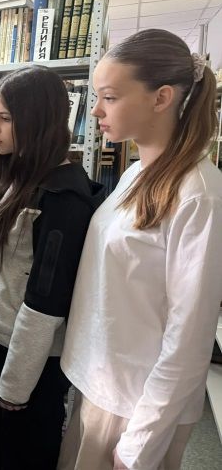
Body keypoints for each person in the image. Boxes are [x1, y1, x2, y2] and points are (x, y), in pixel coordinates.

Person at [58, 29, 222, 470]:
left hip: (136, 407)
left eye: (109, 97)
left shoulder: (199, 195)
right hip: (101, 385)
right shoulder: (136, 174)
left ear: (161, 98)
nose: (96, 110)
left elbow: (190, 336)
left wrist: (140, 443)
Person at [0, 66, 105, 469]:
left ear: (38, 120)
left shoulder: (62, 197)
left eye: (5, 118)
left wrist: (16, 384)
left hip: (34, 362)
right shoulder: (19, 177)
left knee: (20, 456)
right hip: (3, 347)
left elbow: (45, 303)